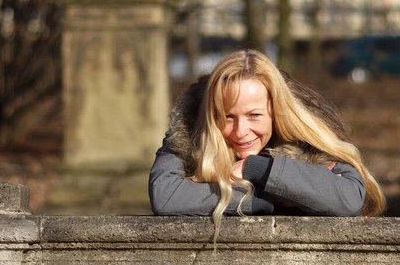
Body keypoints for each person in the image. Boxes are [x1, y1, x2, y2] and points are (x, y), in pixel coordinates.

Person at [149, 49, 386, 235]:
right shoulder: (189, 132)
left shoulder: (308, 141)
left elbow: (348, 198)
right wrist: (270, 197)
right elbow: (166, 197)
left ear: (277, 111)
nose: (241, 132)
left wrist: (255, 169)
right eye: (228, 117)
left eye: (254, 116)